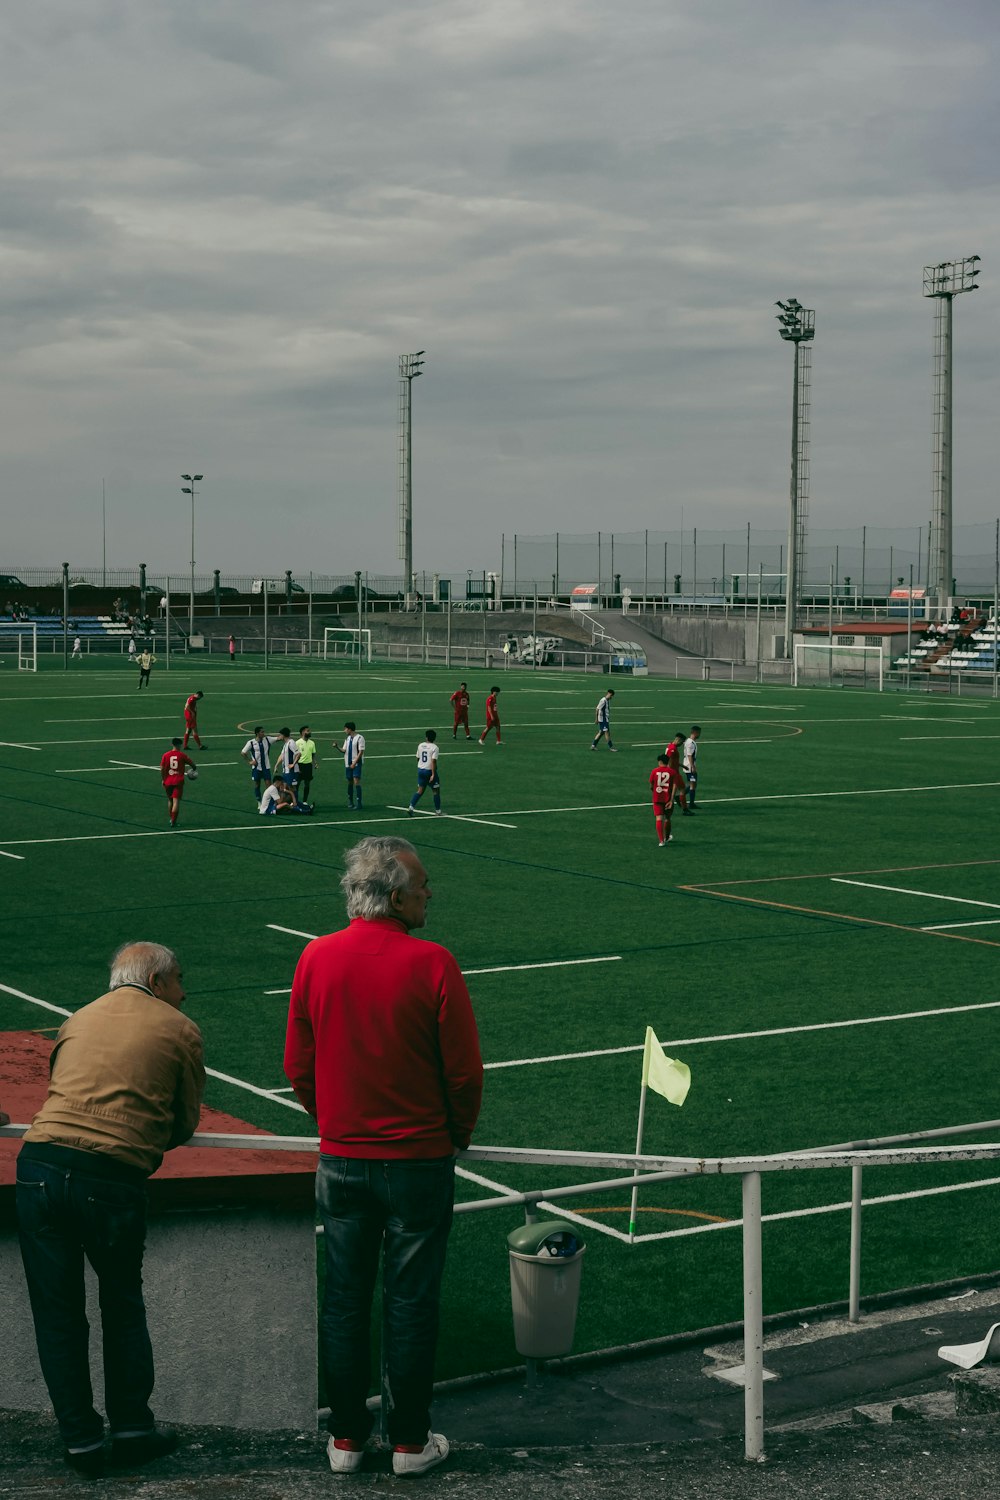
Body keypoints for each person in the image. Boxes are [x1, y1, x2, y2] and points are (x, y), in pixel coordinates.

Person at [283, 836, 482, 1477]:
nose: (431, 894)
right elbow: (463, 1074)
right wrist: (457, 1133)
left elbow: (298, 1065)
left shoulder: (315, 958)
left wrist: (336, 1122)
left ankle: (345, 1439)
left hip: (342, 1160)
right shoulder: (433, 963)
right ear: (395, 896)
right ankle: (408, 1442)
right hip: (419, 1160)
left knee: (344, 1301)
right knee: (410, 1303)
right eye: (423, 885)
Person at [15, 941, 204, 1478]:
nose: (184, 992)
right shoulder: (178, 1027)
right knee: (121, 1303)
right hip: (111, 1178)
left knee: (57, 1315)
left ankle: (79, 1440)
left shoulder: (77, 1019)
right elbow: (184, 1123)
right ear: (159, 980)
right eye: (180, 980)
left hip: (40, 1167)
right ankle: (132, 1428)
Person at [160, 738, 196, 827]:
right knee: (176, 801)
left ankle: (171, 818)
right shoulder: (182, 755)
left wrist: (163, 779)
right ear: (179, 745)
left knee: (170, 800)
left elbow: (162, 768)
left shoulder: (166, 755)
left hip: (168, 781)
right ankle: (173, 821)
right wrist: (192, 771)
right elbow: (193, 765)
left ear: (172, 744)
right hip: (178, 781)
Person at [409, 730, 441, 816]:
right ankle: (438, 811)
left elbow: (417, 758)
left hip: (420, 770)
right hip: (429, 771)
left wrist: (421, 766)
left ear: (426, 737)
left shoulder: (420, 745)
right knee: (436, 791)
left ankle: (411, 807)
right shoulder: (435, 747)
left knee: (420, 791)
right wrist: (433, 774)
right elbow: (433, 761)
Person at [649, 754, 677, 847]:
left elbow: (652, 785)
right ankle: (667, 837)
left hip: (657, 798)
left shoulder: (654, 771)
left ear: (660, 762)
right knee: (667, 818)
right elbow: (674, 786)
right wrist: (672, 799)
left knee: (659, 818)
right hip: (668, 799)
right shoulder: (672, 772)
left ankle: (661, 841)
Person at [241, 727, 272, 804]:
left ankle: (268, 802)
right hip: (257, 768)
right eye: (262, 732)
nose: (263, 733)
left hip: (266, 767)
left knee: (269, 786)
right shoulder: (251, 742)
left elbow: (279, 738)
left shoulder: (267, 740)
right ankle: (259, 802)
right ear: (257, 733)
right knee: (257, 785)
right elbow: (243, 752)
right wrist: (250, 761)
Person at [341, 722, 365, 810]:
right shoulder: (347, 739)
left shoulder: (360, 738)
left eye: (345, 729)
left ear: (350, 729)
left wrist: (354, 763)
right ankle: (350, 801)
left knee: (356, 781)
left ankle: (359, 803)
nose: (344, 731)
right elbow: (344, 750)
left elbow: (361, 751)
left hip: (356, 763)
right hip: (348, 763)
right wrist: (337, 747)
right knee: (350, 781)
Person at [664, 732, 689, 814]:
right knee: (683, 789)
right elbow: (670, 762)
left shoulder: (670, 746)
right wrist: (671, 773)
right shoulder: (673, 749)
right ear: (678, 739)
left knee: (674, 790)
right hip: (674, 773)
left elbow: (674, 761)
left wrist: (683, 766)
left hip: (672, 772)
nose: (682, 744)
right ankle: (685, 809)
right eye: (682, 742)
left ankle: (678, 801)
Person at [295, 725, 318, 808]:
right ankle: (295, 800)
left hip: (308, 766)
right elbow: (295, 756)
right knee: (297, 784)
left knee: (307, 784)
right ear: (303, 732)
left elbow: (313, 754)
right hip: (300, 765)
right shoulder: (297, 743)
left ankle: (304, 801)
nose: (310, 732)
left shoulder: (312, 743)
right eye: (308, 731)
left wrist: (315, 763)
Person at [275, 728, 301, 796]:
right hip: (286, 771)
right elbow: (282, 755)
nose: (279, 736)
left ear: (283, 735)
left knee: (292, 788)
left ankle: (296, 804)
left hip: (292, 771)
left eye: (280, 735)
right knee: (287, 787)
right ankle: (292, 803)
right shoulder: (285, 744)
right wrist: (276, 765)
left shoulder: (291, 742)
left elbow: (298, 754)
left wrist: (293, 764)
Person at [683, 726, 701, 812]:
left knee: (693, 783)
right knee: (692, 784)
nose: (699, 735)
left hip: (688, 766)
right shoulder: (690, 743)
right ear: (695, 732)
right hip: (689, 767)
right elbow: (690, 755)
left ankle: (689, 801)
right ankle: (690, 803)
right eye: (699, 733)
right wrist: (692, 766)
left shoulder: (689, 741)